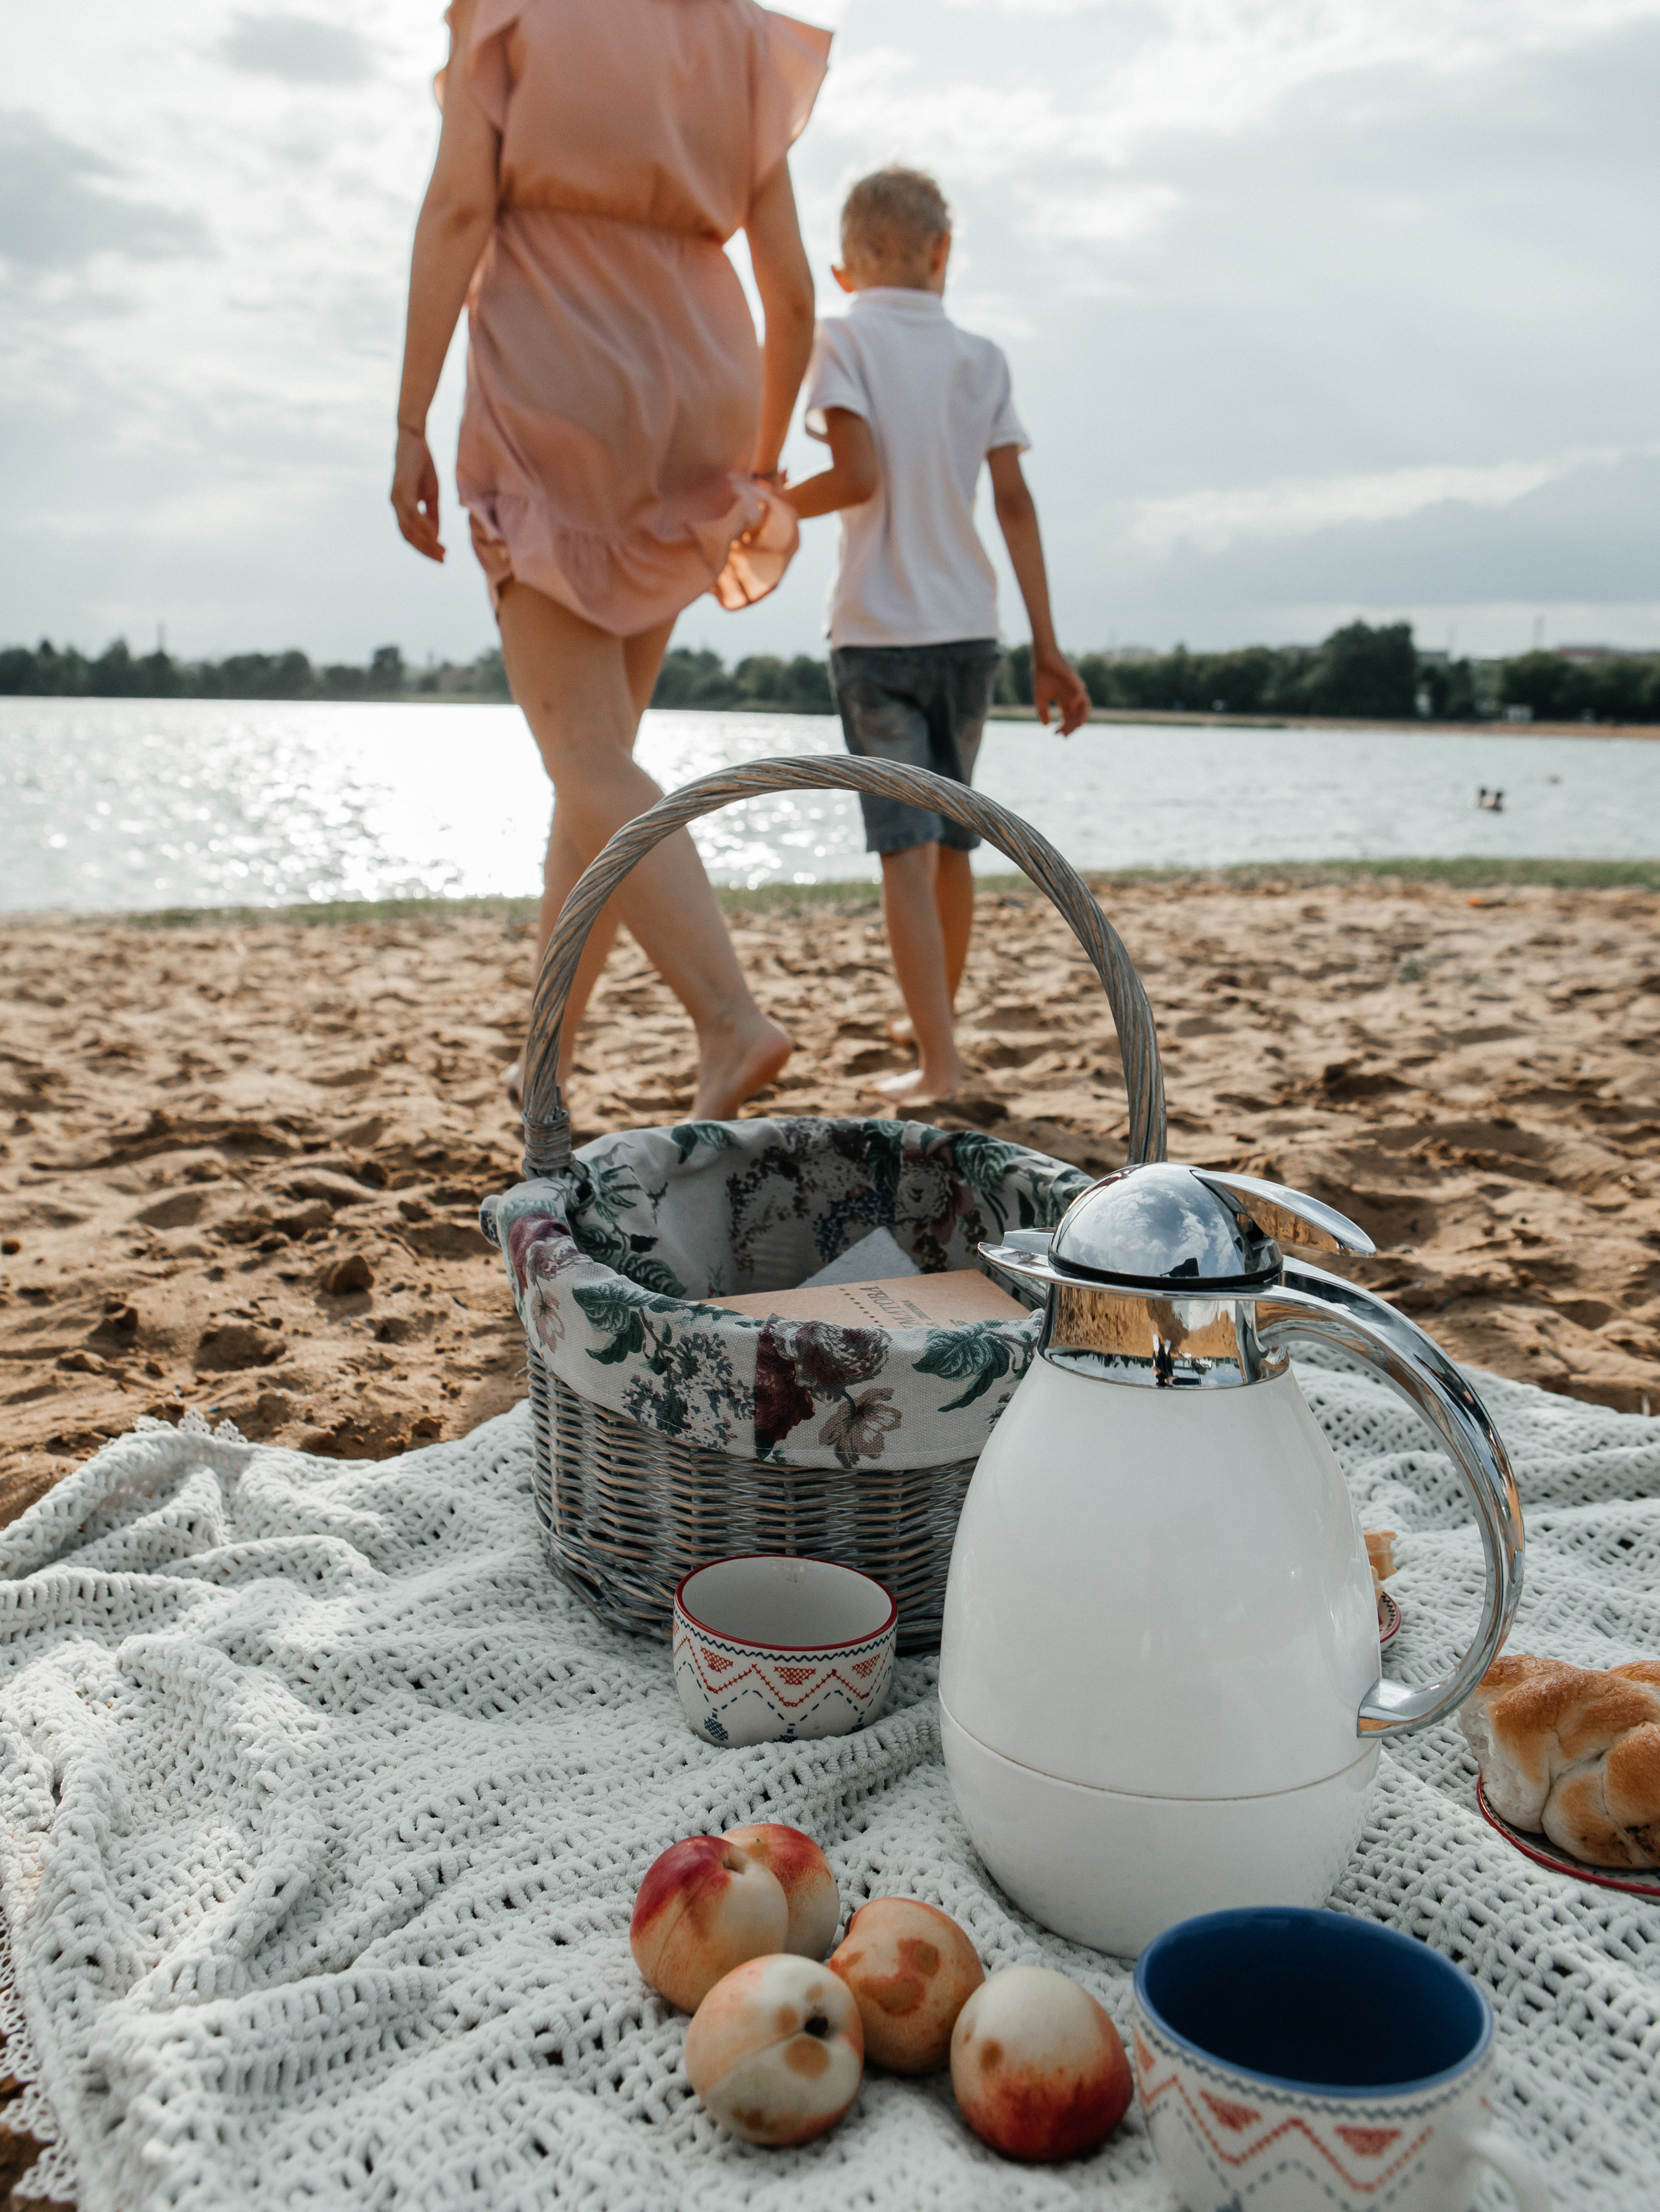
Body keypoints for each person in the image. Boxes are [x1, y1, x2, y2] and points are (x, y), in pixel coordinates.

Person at [391, 0, 831, 1118]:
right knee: (596, 764)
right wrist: (761, 464)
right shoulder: (734, 32)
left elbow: (456, 209)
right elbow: (789, 290)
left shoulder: (514, 9)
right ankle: (548, 1058)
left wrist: (408, 420)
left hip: (559, 368)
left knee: (583, 753)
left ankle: (730, 1021)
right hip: (701, 382)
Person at [781, 167, 1089, 1103]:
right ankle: (937, 1031)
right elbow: (1016, 503)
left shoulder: (838, 339)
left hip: (877, 633)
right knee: (953, 845)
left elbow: (857, 474)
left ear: (844, 270)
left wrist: (764, 509)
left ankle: (940, 1065)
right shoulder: (983, 357)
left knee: (903, 855)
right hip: (970, 633)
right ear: (942, 253)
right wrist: (1048, 643)